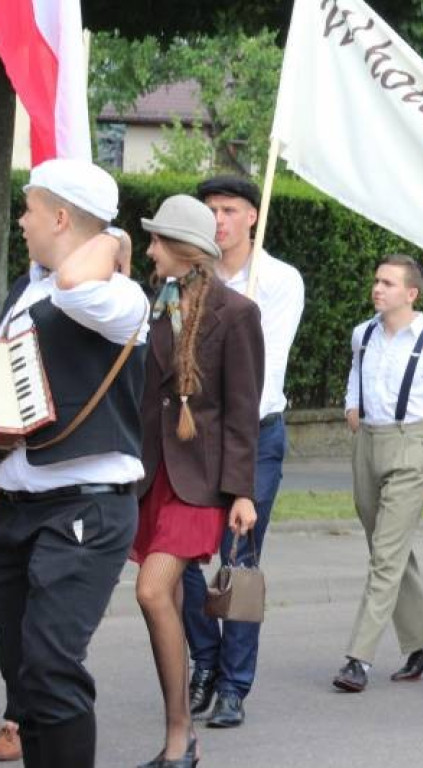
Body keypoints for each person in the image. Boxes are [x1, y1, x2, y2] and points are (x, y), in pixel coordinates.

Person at [0, 159, 148, 768]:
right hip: (18, 505)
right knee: (24, 676)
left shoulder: (118, 293)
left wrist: (111, 239)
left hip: (85, 506)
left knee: (51, 667)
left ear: (61, 217)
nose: (21, 220)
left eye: (30, 208)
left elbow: (75, 283)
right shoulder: (27, 288)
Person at [130, 195, 263, 767]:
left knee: (151, 590)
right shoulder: (153, 307)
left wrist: (243, 492)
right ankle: (179, 739)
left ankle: (181, 732)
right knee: (161, 597)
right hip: (153, 477)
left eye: (158, 240)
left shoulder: (237, 313)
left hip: (201, 483)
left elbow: (242, 410)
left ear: (184, 249)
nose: (149, 250)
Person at [181, 175, 305, 729]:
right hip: (196, 436)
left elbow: (261, 370)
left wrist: (235, 314)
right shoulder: (191, 276)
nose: (218, 220)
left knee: (240, 561)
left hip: (254, 435)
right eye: (210, 209)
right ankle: (205, 657)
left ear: (253, 215)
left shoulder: (278, 281)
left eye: (229, 209)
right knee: (179, 554)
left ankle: (233, 685)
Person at [333, 254, 423, 693]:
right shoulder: (363, 334)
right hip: (367, 444)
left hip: (413, 446)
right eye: (376, 280)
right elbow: (355, 372)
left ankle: (358, 659)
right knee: (389, 551)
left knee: (385, 556)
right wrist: (351, 404)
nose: (378, 288)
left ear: (411, 293)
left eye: (388, 283)